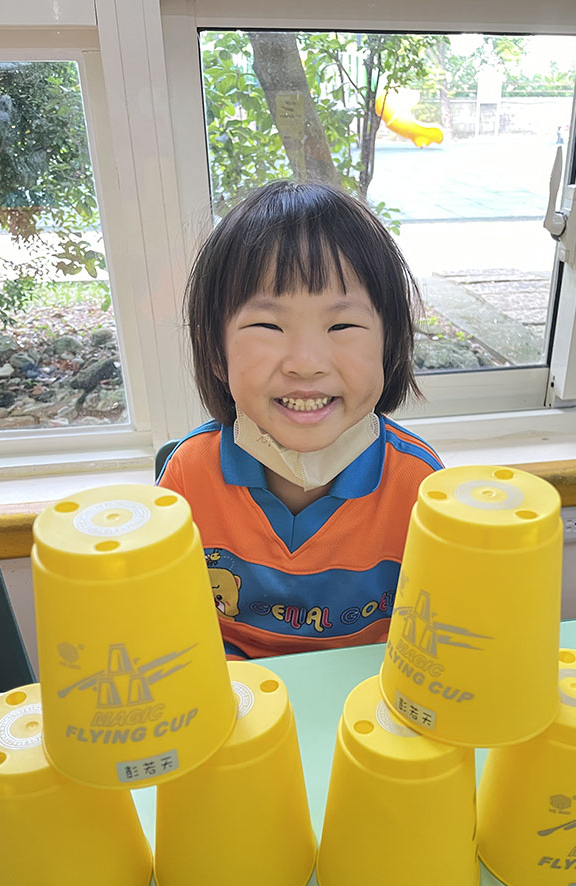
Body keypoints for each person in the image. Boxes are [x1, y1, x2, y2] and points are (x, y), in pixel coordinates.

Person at [158, 179, 443, 659]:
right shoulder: (189, 475)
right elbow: (168, 629)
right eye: (268, 325)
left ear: (390, 344)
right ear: (215, 351)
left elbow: (434, 642)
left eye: (342, 325)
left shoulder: (419, 486)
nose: (306, 363)